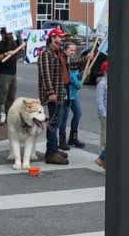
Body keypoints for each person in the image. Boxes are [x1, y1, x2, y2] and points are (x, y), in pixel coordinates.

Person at [38, 27, 93, 165]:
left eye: (63, 37)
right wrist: (50, 93)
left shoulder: (60, 53)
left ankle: (53, 149)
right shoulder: (47, 54)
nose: (62, 39)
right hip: (54, 93)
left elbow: (71, 66)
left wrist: (85, 59)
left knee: (56, 122)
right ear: (53, 38)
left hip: (62, 91)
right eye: (60, 37)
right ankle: (51, 154)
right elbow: (45, 75)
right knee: (54, 123)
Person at [59, 42, 85, 150]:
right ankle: (62, 140)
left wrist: (83, 74)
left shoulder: (71, 61)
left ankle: (73, 137)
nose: (73, 52)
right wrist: (79, 84)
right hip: (66, 94)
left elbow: (75, 74)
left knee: (78, 114)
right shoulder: (64, 61)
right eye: (71, 50)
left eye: (74, 50)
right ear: (65, 50)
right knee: (64, 118)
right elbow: (69, 77)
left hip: (73, 95)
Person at [0, 27, 19, 125]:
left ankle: (9, 117)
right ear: (2, 34)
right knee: (1, 97)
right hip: (2, 74)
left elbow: (17, 56)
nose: (10, 35)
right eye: (8, 34)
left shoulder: (13, 44)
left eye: (11, 33)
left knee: (11, 97)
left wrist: (21, 50)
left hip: (13, 74)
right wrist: (5, 54)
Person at [95, 61, 108, 170]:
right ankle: (102, 158)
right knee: (105, 137)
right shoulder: (102, 84)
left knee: (109, 137)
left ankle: (104, 158)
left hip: (110, 113)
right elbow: (100, 101)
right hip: (105, 114)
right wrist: (104, 114)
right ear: (105, 72)